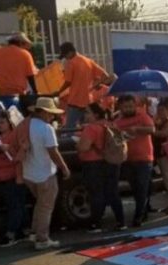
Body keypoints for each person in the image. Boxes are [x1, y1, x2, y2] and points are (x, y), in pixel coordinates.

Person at [21, 97, 70, 250]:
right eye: (50, 113)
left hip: (28, 172)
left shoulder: (25, 125)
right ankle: (42, 239)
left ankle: (34, 234)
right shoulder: (46, 128)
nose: (52, 116)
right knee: (46, 207)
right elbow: (53, 151)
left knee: (40, 204)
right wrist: (64, 167)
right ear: (43, 112)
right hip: (45, 173)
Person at [75, 103, 124, 233]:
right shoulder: (112, 125)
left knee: (96, 193)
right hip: (112, 162)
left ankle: (95, 224)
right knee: (113, 192)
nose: (85, 115)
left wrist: (78, 144)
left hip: (93, 164)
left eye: (87, 112)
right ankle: (121, 221)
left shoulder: (91, 129)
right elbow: (120, 143)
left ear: (95, 114)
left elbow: (83, 147)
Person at [0, 110, 27, 247]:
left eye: (2, 122)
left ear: (10, 122)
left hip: (14, 176)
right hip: (1, 178)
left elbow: (21, 156)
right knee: (13, 205)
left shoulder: (15, 136)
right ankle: (20, 231)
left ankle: (11, 234)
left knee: (16, 206)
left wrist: (9, 149)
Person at [115, 95, 156, 227]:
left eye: (131, 106)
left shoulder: (142, 116)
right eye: (126, 107)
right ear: (120, 107)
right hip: (128, 159)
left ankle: (138, 216)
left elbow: (152, 129)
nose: (129, 109)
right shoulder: (118, 121)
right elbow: (114, 138)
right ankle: (142, 211)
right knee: (135, 188)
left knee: (142, 187)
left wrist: (137, 129)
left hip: (144, 158)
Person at [56, 42, 113, 130]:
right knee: (86, 127)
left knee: (70, 128)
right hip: (88, 101)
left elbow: (68, 82)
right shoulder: (88, 61)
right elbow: (105, 75)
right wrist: (97, 84)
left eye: (65, 55)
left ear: (71, 52)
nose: (66, 58)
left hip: (75, 101)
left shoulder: (71, 63)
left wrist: (58, 92)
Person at [0, 32, 39, 101]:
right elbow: (30, 76)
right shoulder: (25, 54)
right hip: (16, 90)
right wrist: (35, 92)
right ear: (20, 42)